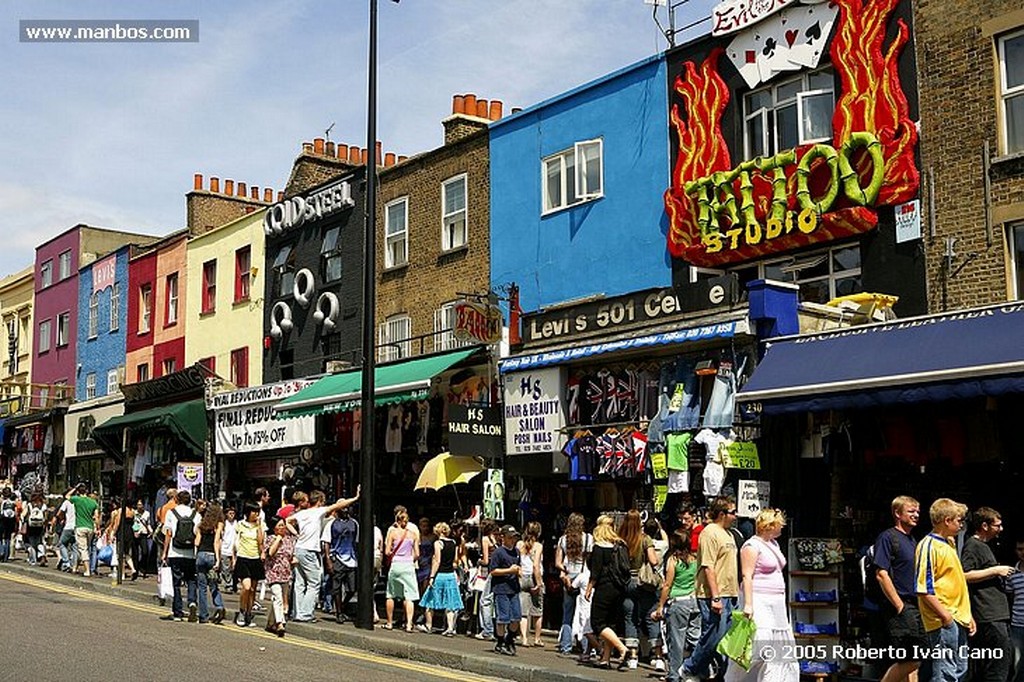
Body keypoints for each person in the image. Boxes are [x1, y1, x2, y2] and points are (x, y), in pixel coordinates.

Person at [724, 508, 798, 682]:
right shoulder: (751, 546)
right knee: (760, 642)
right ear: (769, 526)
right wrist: (748, 604)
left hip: (776, 600)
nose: (781, 528)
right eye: (778, 525)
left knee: (778, 644)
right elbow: (747, 575)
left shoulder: (774, 544)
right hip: (759, 598)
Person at [915, 498, 976, 682]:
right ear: (947, 520)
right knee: (945, 672)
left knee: (959, 669)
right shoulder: (929, 546)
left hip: (958, 617)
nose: (961, 525)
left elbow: (955, 581)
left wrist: (967, 615)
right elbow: (923, 588)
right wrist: (946, 617)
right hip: (944, 619)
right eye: (959, 520)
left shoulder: (948, 543)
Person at [682, 495, 740, 682]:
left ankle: (720, 675)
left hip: (730, 593)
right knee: (713, 637)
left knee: (725, 641)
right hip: (714, 594)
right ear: (722, 514)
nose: (736, 515)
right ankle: (690, 668)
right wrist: (715, 597)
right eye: (732, 512)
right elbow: (708, 566)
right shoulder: (710, 533)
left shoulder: (729, 534)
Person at [286, 487, 360, 623]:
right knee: (314, 583)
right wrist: (355, 498)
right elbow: (338, 505)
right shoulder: (318, 511)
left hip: (299, 549)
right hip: (310, 551)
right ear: (320, 501)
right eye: (323, 501)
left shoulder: (302, 513)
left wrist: (296, 534)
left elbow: (287, 521)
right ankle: (306, 614)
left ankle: (297, 613)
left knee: (300, 583)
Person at [873, 495, 926, 682]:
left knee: (913, 660)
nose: (916, 515)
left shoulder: (913, 540)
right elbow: (881, 573)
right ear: (897, 513)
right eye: (911, 511)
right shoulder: (888, 537)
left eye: (918, 511)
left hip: (915, 604)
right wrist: (899, 606)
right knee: (912, 659)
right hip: (901, 606)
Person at [961, 507, 1014, 682]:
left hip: (996, 615)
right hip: (989, 615)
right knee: (997, 665)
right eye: (997, 525)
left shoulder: (984, 546)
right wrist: (996, 570)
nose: (1001, 529)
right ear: (984, 526)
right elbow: (965, 574)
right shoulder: (973, 545)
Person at [654, 525, 702, 682]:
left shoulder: (673, 560)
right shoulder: (695, 559)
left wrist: (660, 605)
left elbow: (667, 585)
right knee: (695, 638)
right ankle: (701, 669)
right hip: (694, 601)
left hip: (678, 603)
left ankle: (674, 675)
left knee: (676, 641)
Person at [586, 514, 631, 669]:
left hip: (604, 588)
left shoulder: (599, 547)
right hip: (619, 588)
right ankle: (605, 658)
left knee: (598, 623)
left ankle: (622, 649)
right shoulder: (620, 545)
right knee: (610, 623)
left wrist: (589, 588)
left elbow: (595, 573)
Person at [620, 509, 661, 670]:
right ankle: (657, 655)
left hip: (627, 581)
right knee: (650, 616)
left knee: (630, 617)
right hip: (644, 582)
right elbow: (654, 561)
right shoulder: (645, 539)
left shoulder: (621, 540)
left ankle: (633, 655)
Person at [555, 512, 593, 655]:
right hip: (584, 577)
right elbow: (591, 560)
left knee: (567, 614)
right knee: (585, 614)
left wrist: (564, 573)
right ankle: (586, 646)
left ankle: (566, 646)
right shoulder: (589, 539)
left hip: (568, 578)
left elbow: (557, 562)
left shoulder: (563, 540)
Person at [161, 490, 200, 623]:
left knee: (176, 583)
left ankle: (177, 612)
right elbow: (197, 534)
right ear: (190, 501)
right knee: (191, 580)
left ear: (176, 500)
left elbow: (168, 534)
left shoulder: (171, 513)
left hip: (175, 552)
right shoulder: (196, 515)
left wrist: (164, 553)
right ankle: (192, 602)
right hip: (190, 553)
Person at [419, 521, 463, 636]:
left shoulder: (438, 543)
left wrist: (432, 576)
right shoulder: (453, 543)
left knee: (429, 600)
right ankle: (450, 628)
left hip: (440, 575)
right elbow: (455, 561)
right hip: (450, 575)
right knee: (450, 603)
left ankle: (428, 625)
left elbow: (437, 561)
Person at [384, 509, 420, 632]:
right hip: (408, 565)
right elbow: (417, 554)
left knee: (390, 595)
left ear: (397, 520)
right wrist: (410, 559)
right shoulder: (413, 535)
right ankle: (409, 624)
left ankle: (389, 623)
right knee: (409, 596)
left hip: (396, 565)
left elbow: (387, 551)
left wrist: (394, 553)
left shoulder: (392, 533)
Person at [490, 525, 523, 656]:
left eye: (514, 538)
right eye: (510, 538)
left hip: (513, 588)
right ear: (503, 538)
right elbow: (493, 571)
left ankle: (510, 639)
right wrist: (510, 570)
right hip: (501, 588)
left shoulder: (516, 552)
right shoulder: (498, 552)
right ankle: (500, 641)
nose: (512, 540)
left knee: (516, 617)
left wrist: (519, 572)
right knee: (503, 618)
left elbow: (517, 567)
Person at [233, 501, 266, 627]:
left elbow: (260, 541)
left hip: (255, 558)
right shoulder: (240, 524)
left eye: (257, 512)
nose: (256, 514)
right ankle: (241, 611)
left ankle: (248, 613)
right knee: (246, 587)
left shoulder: (259, 525)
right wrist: (233, 558)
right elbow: (235, 542)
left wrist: (258, 526)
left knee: (252, 590)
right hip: (243, 558)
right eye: (254, 512)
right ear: (248, 512)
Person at [325, 505, 358, 624]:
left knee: (352, 588)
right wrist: (328, 560)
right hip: (337, 558)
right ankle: (339, 612)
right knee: (336, 588)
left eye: (348, 508)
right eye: (343, 508)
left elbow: (357, 541)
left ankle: (342, 606)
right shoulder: (332, 524)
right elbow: (327, 543)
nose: (346, 510)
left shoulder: (354, 523)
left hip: (351, 559)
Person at [264, 516, 295, 637]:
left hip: (285, 573)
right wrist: (278, 539)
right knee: (278, 596)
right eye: (279, 525)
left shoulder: (289, 540)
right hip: (273, 572)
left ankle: (270, 623)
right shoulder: (270, 538)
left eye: (283, 525)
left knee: (279, 599)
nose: (282, 528)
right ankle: (280, 623)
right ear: (274, 528)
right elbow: (270, 553)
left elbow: (291, 554)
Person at [195, 502, 226, 624]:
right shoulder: (218, 524)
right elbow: (216, 542)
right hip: (212, 555)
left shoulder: (201, 525)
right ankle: (219, 606)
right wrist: (218, 560)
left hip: (201, 555)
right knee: (213, 584)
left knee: (202, 587)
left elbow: (197, 542)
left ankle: (203, 616)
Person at [515, 520, 544, 647]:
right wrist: (539, 583)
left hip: (522, 577)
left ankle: (524, 639)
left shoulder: (519, 544)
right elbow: (536, 566)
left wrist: (519, 572)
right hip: (533, 578)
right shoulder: (538, 546)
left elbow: (516, 561)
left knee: (523, 611)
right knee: (537, 610)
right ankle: (537, 639)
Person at [68, 485, 100, 577]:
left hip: (80, 527)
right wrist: (97, 528)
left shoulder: (77, 499)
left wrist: (75, 488)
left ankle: (87, 570)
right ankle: (75, 567)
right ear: (86, 491)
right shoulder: (93, 502)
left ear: (78, 492)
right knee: (82, 548)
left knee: (83, 549)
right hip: (90, 528)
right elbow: (96, 517)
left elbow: (67, 496)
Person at [475, 519, 498, 641]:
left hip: (490, 572)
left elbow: (486, 560)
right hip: (499, 571)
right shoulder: (495, 539)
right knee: (494, 601)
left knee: (484, 601)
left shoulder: (485, 539)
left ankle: (487, 630)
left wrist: (479, 561)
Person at [1005, 539, 1024, 682]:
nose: (1022, 553)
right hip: (1018, 624)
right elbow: (1009, 597)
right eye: (1019, 549)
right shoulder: (1012, 574)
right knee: (1018, 663)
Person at [22, 490, 47, 566]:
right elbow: (46, 517)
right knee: (40, 542)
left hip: (31, 526)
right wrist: (45, 526)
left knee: (32, 543)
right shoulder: (43, 505)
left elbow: (23, 515)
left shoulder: (29, 505)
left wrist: (23, 523)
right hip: (40, 526)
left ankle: (33, 560)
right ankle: (42, 555)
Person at [131, 499, 153, 579]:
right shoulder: (134, 513)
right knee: (135, 553)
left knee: (145, 552)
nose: (139, 506)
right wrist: (134, 532)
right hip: (135, 534)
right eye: (138, 505)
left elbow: (148, 523)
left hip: (143, 533)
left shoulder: (147, 513)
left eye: (141, 505)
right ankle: (136, 570)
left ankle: (143, 568)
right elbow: (133, 523)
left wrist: (150, 531)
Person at [56, 493, 77, 571]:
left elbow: (59, 513)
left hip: (68, 526)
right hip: (77, 526)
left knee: (61, 544)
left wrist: (62, 519)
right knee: (74, 547)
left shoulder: (67, 502)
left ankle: (66, 563)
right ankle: (74, 565)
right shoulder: (79, 502)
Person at [219, 506, 237, 591]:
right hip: (225, 548)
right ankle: (228, 584)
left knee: (233, 567)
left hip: (234, 548)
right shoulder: (224, 524)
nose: (232, 515)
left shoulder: (236, 523)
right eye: (230, 513)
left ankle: (232, 584)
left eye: (233, 513)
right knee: (226, 568)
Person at [0, 488, 18, 562]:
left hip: (2, 521)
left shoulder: (1, 501)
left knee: (1, 538)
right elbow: (16, 514)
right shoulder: (13, 503)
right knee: (8, 539)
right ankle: (6, 556)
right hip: (11, 522)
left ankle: (1, 552)